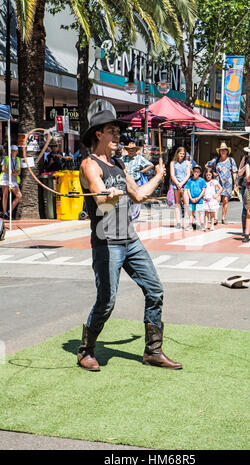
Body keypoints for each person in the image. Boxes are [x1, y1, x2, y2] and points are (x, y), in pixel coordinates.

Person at [77, 110, 182, 372]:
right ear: (98, 133)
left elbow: (137, 195)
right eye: (112, 131)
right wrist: (109, 195)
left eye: (118, 131)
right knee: (107, 300)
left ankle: (153, 351)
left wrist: (159, 176)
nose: (118, 135)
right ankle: (85, 350)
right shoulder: (90, 165)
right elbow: (100, 202)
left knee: (155, 289)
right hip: (107, 242)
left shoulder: (120, 165)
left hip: (130, 239)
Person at [206, 142, 238, 224]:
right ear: (219, 152)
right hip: (218, 183)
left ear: (227, 151)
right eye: (221, 150)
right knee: (217, 199)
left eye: (224, 150)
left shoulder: (231, 160)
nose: (223, 152)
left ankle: (223, 218)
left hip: (228, 183)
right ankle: (215, 218)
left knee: (225, 200)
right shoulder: (216, 160)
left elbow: (234, 172)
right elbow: (207, 165)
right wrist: (212, 172)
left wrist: (235, 183)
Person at [121, 141, 154, 220]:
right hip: (126, 182)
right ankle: (127, 215)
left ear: (135, 150)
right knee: (126, 198)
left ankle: (134, 216)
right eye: (129, 149)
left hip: (136, 181)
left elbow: (151, 165)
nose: (131, 151)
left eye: (133, 149)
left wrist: (142, 171)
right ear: (127, 150)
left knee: (136, 199)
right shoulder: (123, 158)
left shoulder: (139, 158)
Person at [170, 147, 191, 228]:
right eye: (180, 153)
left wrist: (181, 183)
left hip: (185, 184)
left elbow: (188, 174)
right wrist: (178, 184)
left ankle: (188, 222)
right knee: (177, 203)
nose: (182, 155)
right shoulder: (173, 163)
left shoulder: (187, 163)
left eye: (183, 154)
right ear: (177, 153)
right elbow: (172, 174)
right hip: (176, 184)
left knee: (186, 203)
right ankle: (178, 222)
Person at [0, 145, 22, 219]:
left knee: (19, 195)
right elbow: (3, 168)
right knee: (5, 195)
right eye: (12, 150)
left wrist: (16, 173)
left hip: (13, 179)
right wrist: (10, 172)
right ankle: (5, 213)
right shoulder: (6, 158)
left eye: (14, 151)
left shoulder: (18, 159)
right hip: (6, 178)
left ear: (17, 152)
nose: (13, 152)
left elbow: (19, 171)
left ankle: (9, 211)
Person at [185, 164, 206, 230]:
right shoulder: (189, 180)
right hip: (191, 199)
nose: (196, 173)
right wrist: (191, 198)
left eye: (198, 172)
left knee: (200, 212)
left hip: (199, 199)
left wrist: (199, 198)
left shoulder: (202, 180)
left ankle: (202, 224)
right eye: (195, 171)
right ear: (192, 172)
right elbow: (188, 190)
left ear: (200, 173)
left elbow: (203, 190)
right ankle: (190, 225)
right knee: (191, 212)